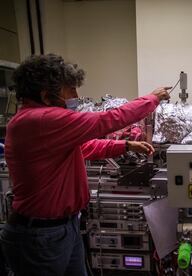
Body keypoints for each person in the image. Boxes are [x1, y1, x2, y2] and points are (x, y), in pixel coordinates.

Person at [0, 54, 170, 275]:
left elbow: (83, 148)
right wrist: (152, 98)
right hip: (41, 237)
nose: (76, 96)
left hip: (62, 229)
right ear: (46, 93)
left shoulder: (40, 122)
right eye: (70, 89)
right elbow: (107, 119)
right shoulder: (40, 120)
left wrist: (125, 145)